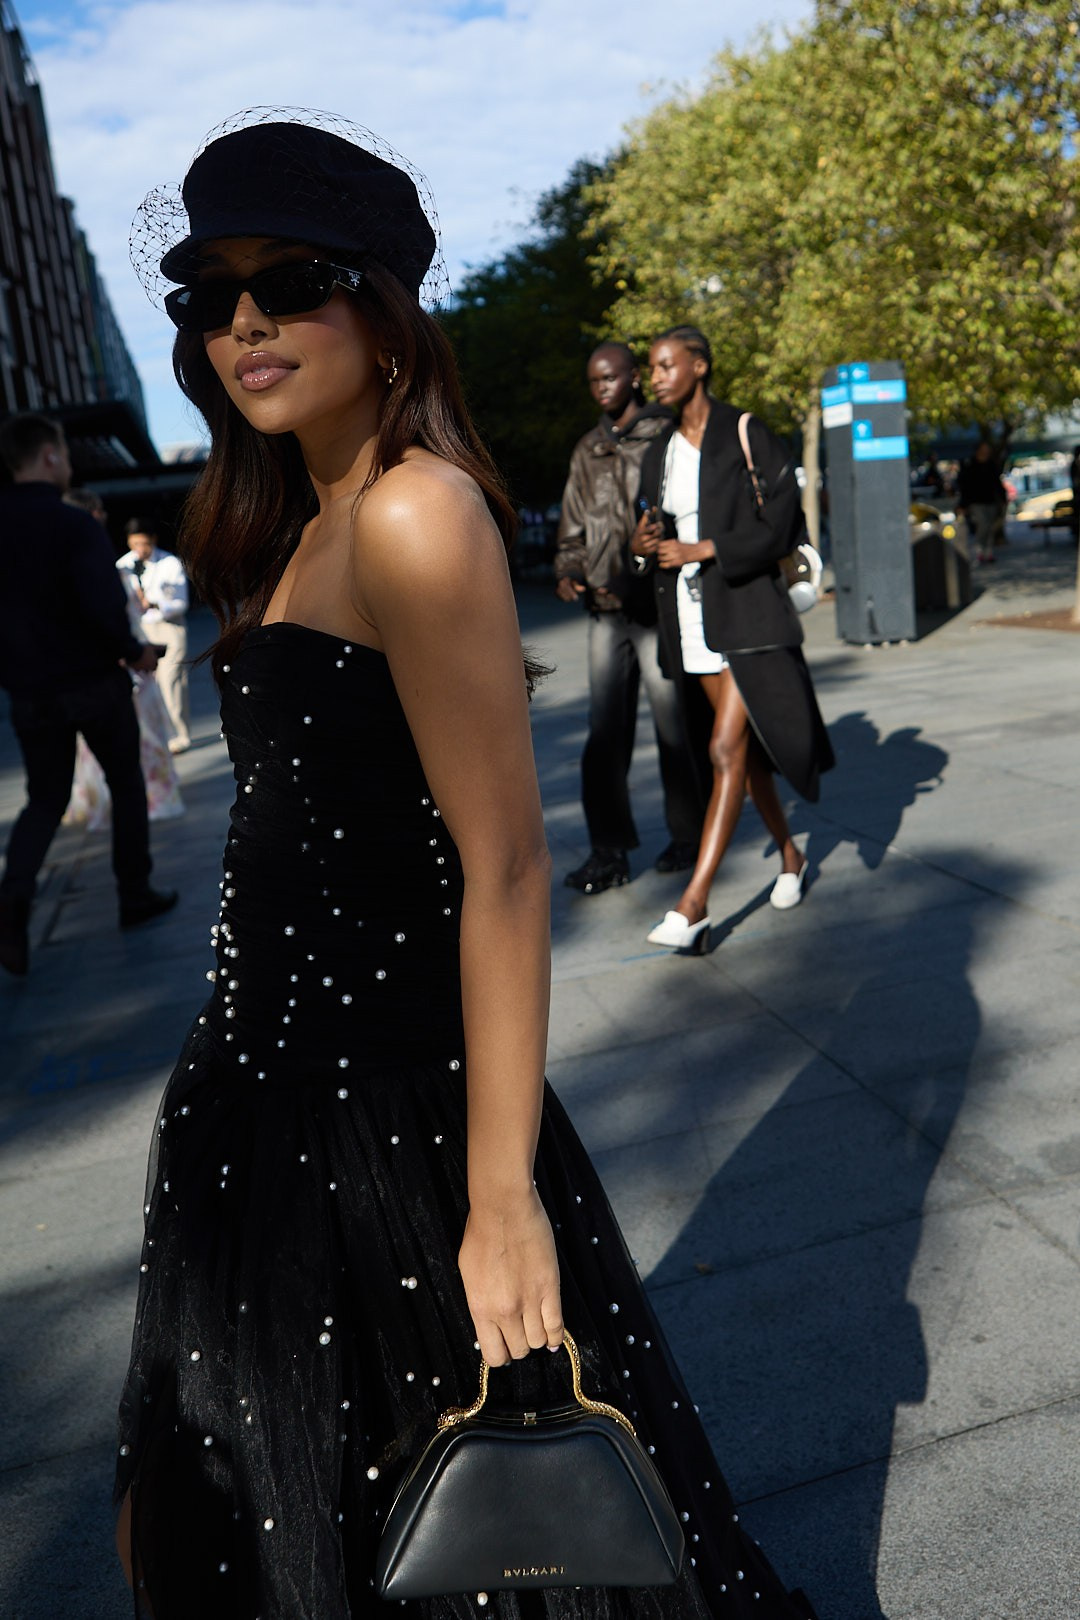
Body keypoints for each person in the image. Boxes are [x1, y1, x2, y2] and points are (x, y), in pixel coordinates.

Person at [114, 112, 818, 1620]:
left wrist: (502, 1196)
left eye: (291, 277)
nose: (246, 318)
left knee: (465, 1536)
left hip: (386, 1119)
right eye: (210, 290)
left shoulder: (420, 513)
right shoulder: (295, 522)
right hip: (258, 1097)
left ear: (382, 310)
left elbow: (501, 869)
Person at [631, 327, 834, 951]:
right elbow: (648, 528)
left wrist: (707, 547)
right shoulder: (658, 450)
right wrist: (642, 548)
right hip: (691, 620)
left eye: (668, 365)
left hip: (748, 616)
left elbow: (782, 524)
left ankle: (694, 905)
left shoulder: (745, 430)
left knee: (724, 749)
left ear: (699, 365)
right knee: (742, 763)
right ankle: (791, 856)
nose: (656, 376)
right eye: (653, 368)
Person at [0, 415, 178, 977]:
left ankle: (11, 906)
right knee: (125, 783)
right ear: (50, 455)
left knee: (45, 800)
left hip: (31, 692)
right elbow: (101, 607)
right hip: (93, 683)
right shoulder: (72, 525)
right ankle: (134, 893)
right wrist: (136, 652)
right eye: (65, 455)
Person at [555, 342, 704, 893]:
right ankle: (608, 851)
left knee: (674, 729)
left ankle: (689, 837)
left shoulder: (666, 435)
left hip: (654, 606)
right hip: (605, 611)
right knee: (605, 735)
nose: (602, 389)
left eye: (611, 378)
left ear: (634, 378)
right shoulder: (588, 449)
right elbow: (572, 527)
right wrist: (568, 569)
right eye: (594, 382)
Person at [63, 496, 185, 828]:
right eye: (98, 512)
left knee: (98, 746)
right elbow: (113, 618)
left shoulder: (64, 563)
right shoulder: (102, 563)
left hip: (90, 668)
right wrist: (133, 652)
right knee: (140, 738)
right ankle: (153, 801)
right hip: (126, 660)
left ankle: (100, 804)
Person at [117, 518, 192, 751]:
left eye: (144, 543)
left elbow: (180, 602)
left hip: (168, 627)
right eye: (135, 543)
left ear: (153, 541)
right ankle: (158, 736)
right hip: (139, 631)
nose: (140, 549)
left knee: (170, 681)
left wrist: (154, 603)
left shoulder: (169, 563)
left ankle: (179, 736)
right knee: (147, 687)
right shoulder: (122, 566)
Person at [956, 440, 1006, 564]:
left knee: (989, 526)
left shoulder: (991, 464)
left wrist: (1003, 498)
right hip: (975, 502)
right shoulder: (970, 464)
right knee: (983, 524)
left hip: (990, 501)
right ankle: (979, 549)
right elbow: (965, 486)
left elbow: (997, 483)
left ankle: (988, 552)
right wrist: (963, 504)